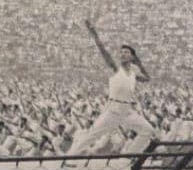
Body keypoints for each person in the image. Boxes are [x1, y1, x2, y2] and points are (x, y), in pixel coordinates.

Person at [66, 19, 155, 157]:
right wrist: (93, 33)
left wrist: (139, 63)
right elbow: (103, 50)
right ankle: (68, 157)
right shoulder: (116, 68)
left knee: (147, 130)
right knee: (92, 135)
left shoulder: (133, 74)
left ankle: (129, 156)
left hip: (127, 111)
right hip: (113, 109)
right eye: (121, 52)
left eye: (126, 52)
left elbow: (148, 78)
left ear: (132, 57)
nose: (122, 54)